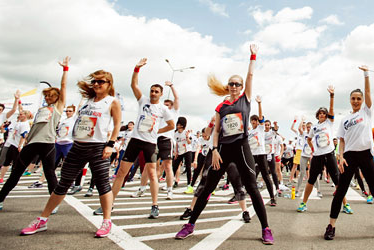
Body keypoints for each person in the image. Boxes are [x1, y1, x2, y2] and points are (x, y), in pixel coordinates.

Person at [174, 44, 273, 244]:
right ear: (228, 86)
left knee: (252, 189)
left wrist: (253, 56)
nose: (234, 86)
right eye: (231, 84)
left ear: (242, 86)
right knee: (207, 187)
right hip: (223, 150)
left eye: (237, 83)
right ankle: (190, 225)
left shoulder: (245, 99)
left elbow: (250, 76)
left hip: (242, 147)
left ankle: (266, 228)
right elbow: (217, 131)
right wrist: (215, 151)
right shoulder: (221, 106)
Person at [20, 67, 121, 237]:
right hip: (78, 146)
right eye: (94, 81)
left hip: (98, 147)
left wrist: (110, 144)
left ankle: (106, 221)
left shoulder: (112, 101)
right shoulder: (88, 100)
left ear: (109, 84)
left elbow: (117, 124)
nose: (96, 84)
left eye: (100, 81)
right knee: (63, 183)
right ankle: (42, 219)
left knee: (102, 184)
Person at [324, 65, 374, 241]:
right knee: (340, 192)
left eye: (359, 98)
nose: (356, 101)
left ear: (362, 100)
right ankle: (331, 226)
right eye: (353, 98)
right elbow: (341, 141)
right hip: (349, 157)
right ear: (350, 100)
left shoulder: (366, 112)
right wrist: (340, 156)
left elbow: (367, 91)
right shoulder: (345, 120)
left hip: (366, 155)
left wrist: (366, 74)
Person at [0, 57, 70, 211]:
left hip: (47, 144)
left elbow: (64, 86)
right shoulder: (41, 110)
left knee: (49, 174)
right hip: (32, 144)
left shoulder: (59, 107)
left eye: (51, 96)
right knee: (16, 173)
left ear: (57, 97)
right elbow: (27, 120)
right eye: (46, 96)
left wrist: (65, 70)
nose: (48, 98)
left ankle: (53, 205)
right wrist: (18, 100)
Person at [101, 58, 175, 219]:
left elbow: (171, 125)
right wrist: (136, 69)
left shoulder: (163, 108)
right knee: (121, 172)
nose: (153, 93)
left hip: (150, 143)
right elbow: (134, 86)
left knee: (152, 174)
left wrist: (157, 131)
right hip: (135, 140)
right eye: (152, 90)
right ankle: (109, 203)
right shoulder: (143, 101)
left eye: (156, 91)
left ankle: (155, 206)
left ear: (161, 94)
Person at [297, 85, 353, 214]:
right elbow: (309, 139)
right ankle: (303, 203)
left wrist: (332, 96)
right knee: (311, 180)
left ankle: (346, 204)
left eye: (324, 113)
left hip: (330, 154)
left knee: (338, 181)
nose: (322, 114)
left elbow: (332, 109)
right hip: (317, 156)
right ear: (317, 115)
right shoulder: (314, 127)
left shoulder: (329, 123)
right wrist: (312, 149)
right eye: (320, 113)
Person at [247, 95, 277, 206]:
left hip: (261, 155)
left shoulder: (260, 128)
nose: (254, 122)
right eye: (252, 120)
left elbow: (260, 117)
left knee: (266, 176)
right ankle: (250, 194)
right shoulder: (249, 133)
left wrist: (259, 104)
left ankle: (272, 197)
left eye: (255, 120)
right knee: (251, 176)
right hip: (252, 156)